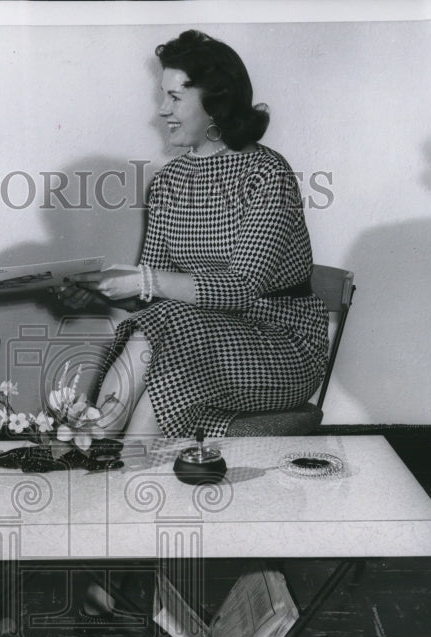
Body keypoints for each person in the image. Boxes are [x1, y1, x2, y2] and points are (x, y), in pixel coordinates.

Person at [67, 30, 329, 440]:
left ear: (216, 104)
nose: (161, 111)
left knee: (174, 333)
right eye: (162, 96)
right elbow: (153, 290)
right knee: (171, 335)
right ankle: (113, 450)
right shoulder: (169, 181)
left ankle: (106, 450)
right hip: (195, 342)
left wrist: (146, 280)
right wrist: (101, 290)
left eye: (175, 97)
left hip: (281, 346)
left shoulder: (267, 174)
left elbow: (242, 287)